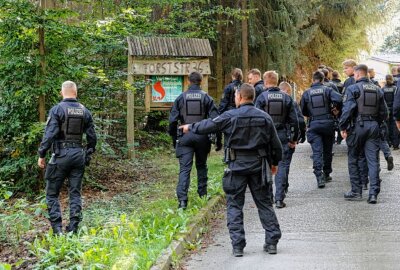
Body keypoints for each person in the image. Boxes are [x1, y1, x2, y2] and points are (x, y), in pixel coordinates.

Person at [180, 83, 283, 257]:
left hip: (236, 167)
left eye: (236, 96)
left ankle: (237, 246)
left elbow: (209, 125)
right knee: (264, 204)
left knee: (235, 205)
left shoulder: (229, 116)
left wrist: (190, 127)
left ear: (241, 97)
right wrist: (274, 163)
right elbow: (276, 145)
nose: (235, 98)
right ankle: (272, 242)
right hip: (259, 166)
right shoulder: (264, 117)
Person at [38, 81, 97, 234]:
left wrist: (42, 154)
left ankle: (57, 230)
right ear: (75, 92)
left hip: (60, 155)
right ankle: (73, 229)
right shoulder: (85, 111)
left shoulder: (57, 109)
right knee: (75, 193)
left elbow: (50, 134)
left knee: (52, 193)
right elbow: (92, 138)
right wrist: (88, 154)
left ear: (61, 92)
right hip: (78, 155)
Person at [168, 71, 220, 209]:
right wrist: (216, 139)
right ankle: (202, 195)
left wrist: (174, 137)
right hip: (202, 136)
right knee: (201, 165)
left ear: (188, 82)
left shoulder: (180, 98)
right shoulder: (207, 98)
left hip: (185, 136)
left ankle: (182, 201)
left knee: (184, 169)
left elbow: (172, 121)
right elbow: (216, 120)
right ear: (201, 82)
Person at [339, 64, 387, 204]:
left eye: (354, 75)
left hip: (357, 127)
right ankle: (373, 194)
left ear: (358, 74)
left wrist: (343, 126)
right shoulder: (378, 90)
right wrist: (376, 123)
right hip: (373, 127)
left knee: (353, 158)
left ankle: (356, 191)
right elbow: (384, 113)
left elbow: (348, 109)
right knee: (373, 161)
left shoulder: (353, 88)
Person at [255, 71, 299, 208]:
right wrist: (293, 138)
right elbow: (294, 121)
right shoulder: (286, 98)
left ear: (265, 82)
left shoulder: (262, 98)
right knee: (282, 165)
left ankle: (269, 198)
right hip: (281, 135)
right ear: (276, 81)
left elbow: (255, 118)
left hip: (265, 136)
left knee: (266, 166)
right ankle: (279, 198)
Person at [300, 71, 342, 188]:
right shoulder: (328, 90)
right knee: (328, 150)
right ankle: (327, 173)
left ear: (313, 80)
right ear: (323, 80)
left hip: (314, 124)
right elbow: (340, 99)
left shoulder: (307, 93)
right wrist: (335, 108)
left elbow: (303, 110)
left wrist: (311, 115)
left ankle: (319, 176)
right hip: (328, 123)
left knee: (317, 152)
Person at [279, 82, 306, 190]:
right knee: (285, 163)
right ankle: (283, 186)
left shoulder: (265, 99)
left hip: (271, 137)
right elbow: (299, 121)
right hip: (287, 137)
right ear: (288, 91)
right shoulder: (291, 102)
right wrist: (297, 138)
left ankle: (274, 191)